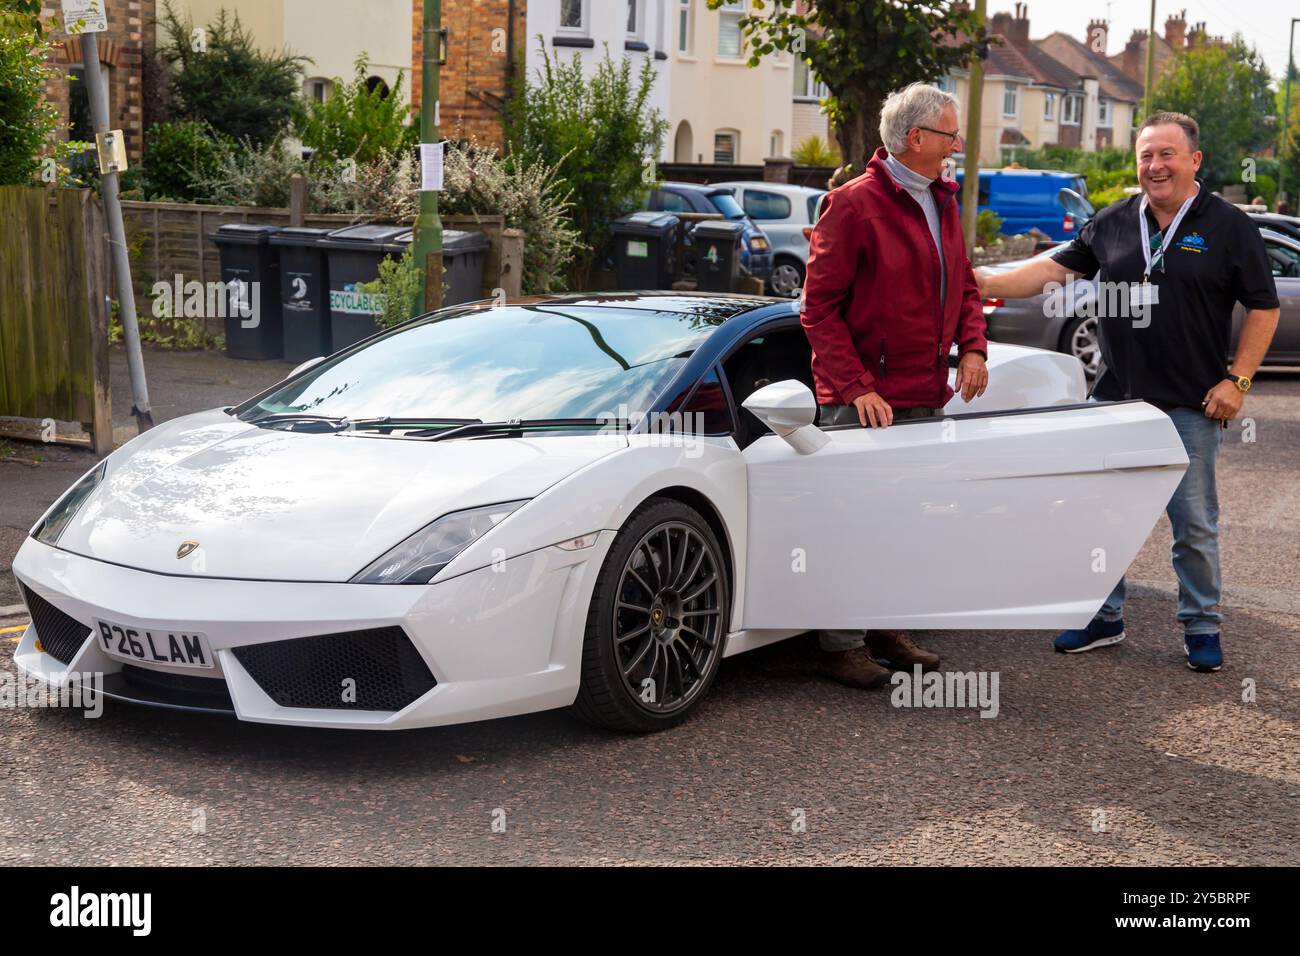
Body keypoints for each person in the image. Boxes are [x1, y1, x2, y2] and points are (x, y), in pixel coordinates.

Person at [976, 112, 1280, 672]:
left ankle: (1201, 625)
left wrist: (1237, 380)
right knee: (1102, 514)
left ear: (1194, 161)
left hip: (1191, 402)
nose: (1155, 166)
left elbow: (1264, 306)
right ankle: (1105, 615)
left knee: (1191, 522)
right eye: (1146, 155)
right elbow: (1056, 269)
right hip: (1115, 400)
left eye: (1167, 154)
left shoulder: (1228, 226)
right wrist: (988, 281)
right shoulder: (1116, 222)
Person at [799, 82, 990, 689]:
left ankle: (884, 631)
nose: (957, 143)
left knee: (904, 520)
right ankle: (840, 645)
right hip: (863, 401)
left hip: (922, 392)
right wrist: (856, 387)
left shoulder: (945, 201)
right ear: (917, 139)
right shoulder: (851, 205)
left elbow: (963, 285)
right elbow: (817, 310)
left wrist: (974, 348)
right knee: (851, 523)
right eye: (950, 134)